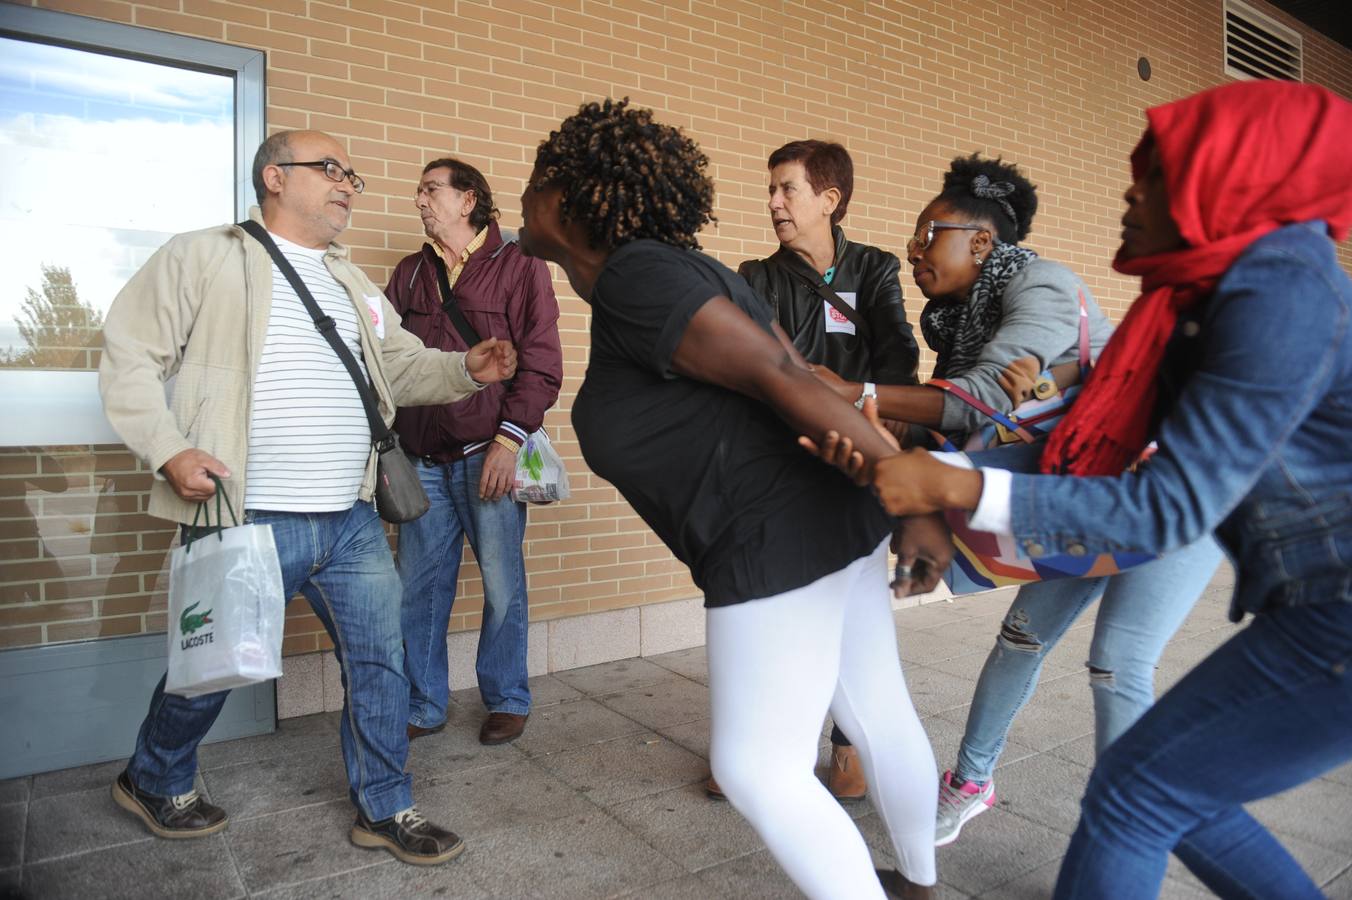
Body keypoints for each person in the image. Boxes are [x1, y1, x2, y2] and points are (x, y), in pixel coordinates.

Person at [857, 80, 1352, 898]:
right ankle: (972, 781)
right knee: (1165, 791)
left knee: (1135, 789)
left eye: (1155, 173)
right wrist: (951, 505)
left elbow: (1168, 506)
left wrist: (956, 485)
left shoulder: (1281, 293)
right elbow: (1095, 458)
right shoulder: (1201, 298)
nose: (1130, 189)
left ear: (1226, 180)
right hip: (1313, 610)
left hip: (1336, 614)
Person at [518, 97, 941, 900]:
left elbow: (782, 377)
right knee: (878, 709)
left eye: (538, 179)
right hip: (823, 522)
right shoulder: (679, 270)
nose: (524, 194)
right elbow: (804, 372)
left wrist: (914, 494)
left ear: (572, 200)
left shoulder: (638, 274)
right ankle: (917, 883)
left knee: (754, 767)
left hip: (770, 536)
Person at [99, 129, 517, 865]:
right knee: (215, 662)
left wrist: (466, 370)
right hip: (248, 512)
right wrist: (167, 448)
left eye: (351, 174)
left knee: (381, 661)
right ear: (273, 177)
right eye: (329, 170)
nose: (348, 184)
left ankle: (386, 805)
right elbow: (131, 353)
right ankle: (154, 776)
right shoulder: (203, 256)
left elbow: (403, 369)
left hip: (353, 517)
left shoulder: (351, 281)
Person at [828, 155, 1223, 847]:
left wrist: (857, 394)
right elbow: (969, 412)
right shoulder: (961, 324)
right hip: (1088, 484)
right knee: (1022, 638)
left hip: (1175, 489)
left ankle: (1124, 832)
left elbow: (980, 401)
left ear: (980, 241)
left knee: (1117, 663)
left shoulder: (1044, 285)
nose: (913, 249)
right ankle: (973, 784)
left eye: (927, 232)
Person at [706, 139, 921, 802]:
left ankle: (848, 742)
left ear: (829, 200)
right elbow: (763, 369)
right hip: (784, 466)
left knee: (855, 612)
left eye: (787, 189)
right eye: (769, 189)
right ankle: (762, 747)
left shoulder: (876, 269)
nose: (773, 203)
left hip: (860, 463)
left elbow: (898, 362)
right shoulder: (754, 278)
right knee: (777, 610)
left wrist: (854, 400)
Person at [387, 157, 562, 747]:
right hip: (422, 461)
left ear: (468, 201)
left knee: (501, 582)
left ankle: (508, 696)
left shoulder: (520, 266)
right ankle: (423, 703)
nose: (419, 200)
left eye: (431, 189)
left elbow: (540, 364)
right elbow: (387, 363)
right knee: (418, 588)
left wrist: (509, 441)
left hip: (490, 453)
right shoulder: (410, 273)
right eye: (419, 191)